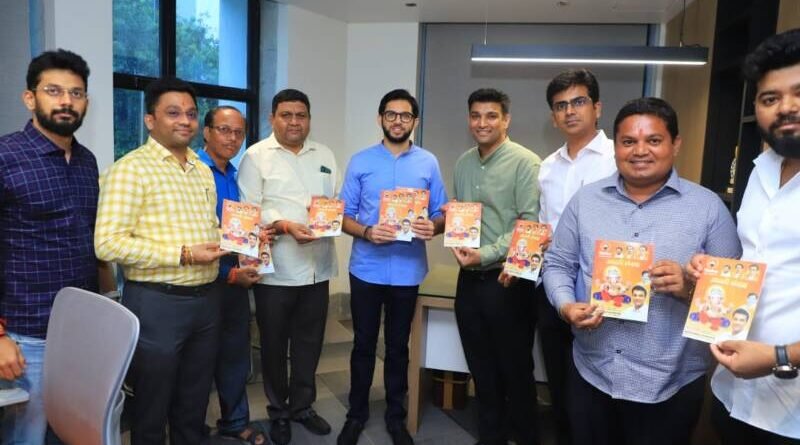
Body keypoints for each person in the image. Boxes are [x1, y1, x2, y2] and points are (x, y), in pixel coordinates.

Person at [543, 97, 741, 445]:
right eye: (628, 141)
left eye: (653, 140)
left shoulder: (708, 208)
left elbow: (733, 303)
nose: (639, 151)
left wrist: (688, 288)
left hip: (670, 382)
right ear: (616, 147)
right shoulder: (585, 202)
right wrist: (565, 305)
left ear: (675, 144)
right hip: (592, 372)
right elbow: (558, 263)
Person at [95, 77, 227, 445]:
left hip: (207, 299)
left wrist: (239, 242)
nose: (185, 120)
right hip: (156, 303)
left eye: (191, 113)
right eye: (173, 113)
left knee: (194, 399)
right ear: (150, 120)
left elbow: (208, 228)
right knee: (153, 403)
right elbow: (107, 244)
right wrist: (184, 254)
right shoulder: (130, 170)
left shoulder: (201, 168)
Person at [687, 28, 800, 444]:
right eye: (770, 98)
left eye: (799, 93)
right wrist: (716, 273)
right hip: (736, 391)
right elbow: (762, 263)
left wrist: (780, 356)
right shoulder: (762, 169)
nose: (786, 108)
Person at [0, 49, 114, 444]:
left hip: (81, 331)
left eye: (76, 93)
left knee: (74, 430)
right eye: (54, 91)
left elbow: (90, 240)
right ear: (29, 98)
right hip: (26, 335)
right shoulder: (5, 156)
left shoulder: (86, 161)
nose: (66, 101)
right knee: (26, 436)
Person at [337, 89, 448, 445]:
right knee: (363, 344)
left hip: (408, 271)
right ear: (380, 118)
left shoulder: (428, 162)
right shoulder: (360, 161)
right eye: (391, 114)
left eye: (405, 115)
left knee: (399, 347)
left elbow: (442, 213)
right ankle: (356, 414)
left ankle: (395, 416)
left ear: (415, 121)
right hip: (366, 269)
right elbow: (343, 215)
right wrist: (367, 232)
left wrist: (434, 226)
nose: (397, 121)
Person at [237, 88, 338, 445]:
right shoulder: (256, 156)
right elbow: (249, 210)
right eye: (286, 115)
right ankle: (278, 411)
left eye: (301, 115)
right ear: (272, 118)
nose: (295, 122)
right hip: (276, 272)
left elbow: (333, 201)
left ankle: (303, 407)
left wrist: (328, 216)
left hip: (317, 269)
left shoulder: (324, 154)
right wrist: (282, 224)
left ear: (309, 119)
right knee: (275, 346)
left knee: (310, 344)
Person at [451, 88, 541, 445]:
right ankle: (491, 436)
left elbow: (529, 223)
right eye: (475, 115)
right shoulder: (463, 163)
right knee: (481, 368)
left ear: (506, 120)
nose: (482, 123)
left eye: (491, 116)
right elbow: (463, 216)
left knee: (515, 370)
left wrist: (485, 253)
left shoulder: (525, 162)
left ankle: (526, 437)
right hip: (468, 279)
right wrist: (452, 227)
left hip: (508, 280)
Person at [198, 106, 269, 445]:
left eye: (239, 132)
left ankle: (235, 421)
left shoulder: (236, 175)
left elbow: (239, 230)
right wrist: (228, 275)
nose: (232, 138)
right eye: (224, 130)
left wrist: (259, 241)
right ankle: (190, 427)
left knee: (235, 355)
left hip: (236, 279)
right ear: (206, 132)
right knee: (197, 361)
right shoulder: (193, 171)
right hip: (201, 282)